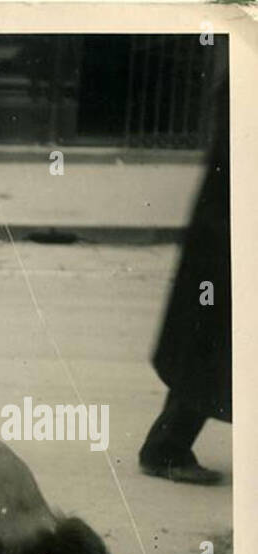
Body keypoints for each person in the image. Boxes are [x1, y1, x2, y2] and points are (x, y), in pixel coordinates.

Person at [138, 66, 230, 484]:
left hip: (227, 227)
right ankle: (167, 446)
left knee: (213, 345)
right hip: (229, 229)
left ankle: (167, 444)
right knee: (212, 342)